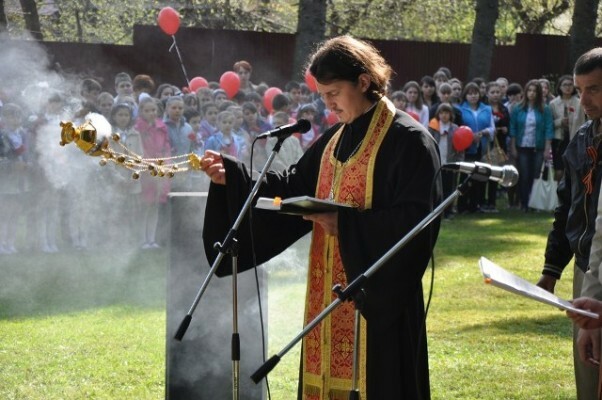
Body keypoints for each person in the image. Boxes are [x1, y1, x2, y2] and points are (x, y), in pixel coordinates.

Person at [200, 35, 441, 399]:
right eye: (322, 95)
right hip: (325, 302)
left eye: (333, 93)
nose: (327, 105)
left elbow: (416, 226)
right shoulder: (333, 140)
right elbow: (293, 185)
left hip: (378, 309)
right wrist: (232, 177)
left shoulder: (409, 141)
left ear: (363, 82)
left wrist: (346, 224)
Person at [535, 47, 602, 400]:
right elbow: (567, 210)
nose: (584, 99)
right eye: (579, 89)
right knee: (589, 373)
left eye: (594, 89)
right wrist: (552, 268)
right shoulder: (583, 139)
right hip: (585, 267)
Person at [508, 79, 553, 211]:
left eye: (534, 91)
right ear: (525, 92)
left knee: (535, 175)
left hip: (538, 147)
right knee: (524, 175)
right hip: (522, 147)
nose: (532, 93)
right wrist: (513, 147)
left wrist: (547, 149)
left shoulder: (545, 109)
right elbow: (513, 129)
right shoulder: (518, 109)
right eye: (529, 90)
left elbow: (548, 129)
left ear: (539, 93)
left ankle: (534, 203)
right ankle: (524, 202)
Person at [455, 82, 495, 214]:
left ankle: (475, 205)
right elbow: (458, 128)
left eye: (475, 93)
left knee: (479, 175)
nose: (473, 96)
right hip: (466, 148)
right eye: (470, 94)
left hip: (481, 147)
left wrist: (483, 133)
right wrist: (470, 136)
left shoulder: (487, 109)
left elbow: (492, 128)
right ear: (465, 95)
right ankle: (462, 206)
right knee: (465, 177)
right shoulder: (460, 109)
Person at [549, 75, 586, 181]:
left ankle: (570, 194)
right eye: (565, 85)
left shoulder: (580, 102)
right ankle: (557, 195)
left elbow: (586, 121)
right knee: (559, 170)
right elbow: (549, 124)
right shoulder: (553, 104)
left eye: (570, 84)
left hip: (575, 139)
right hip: (559, 140)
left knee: (573, 169)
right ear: (559, 87)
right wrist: (559, 122)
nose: (568, 87)